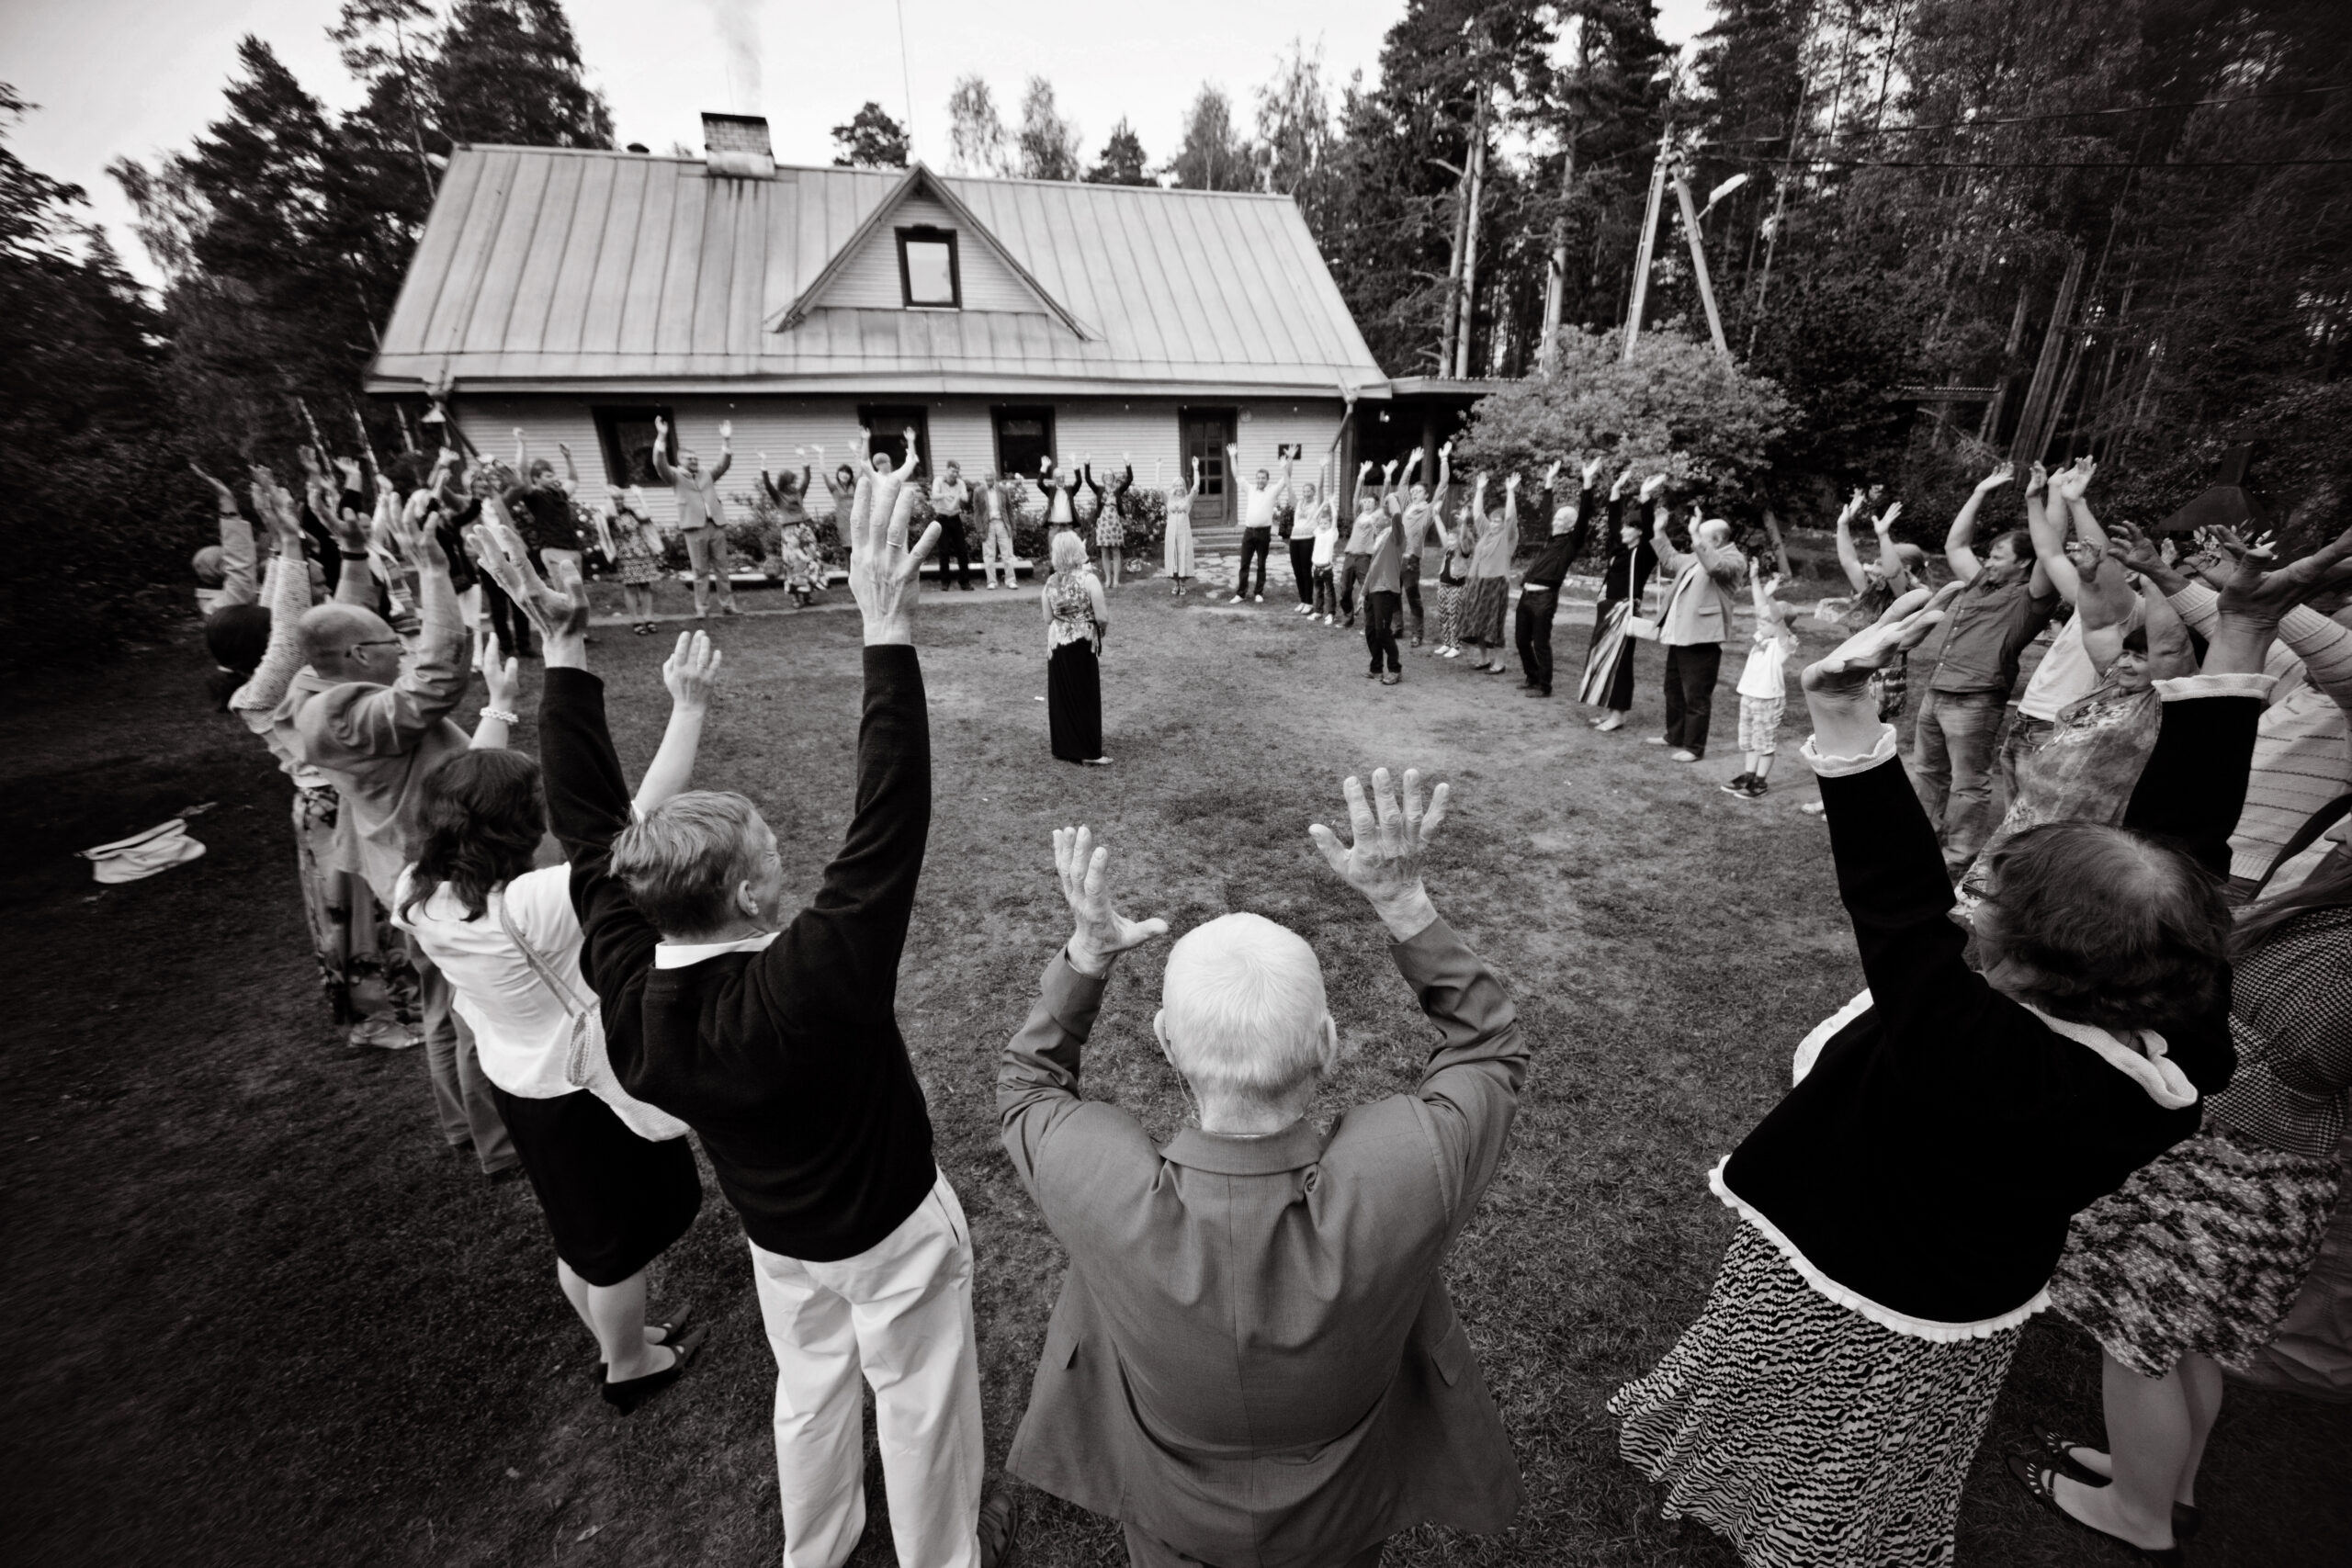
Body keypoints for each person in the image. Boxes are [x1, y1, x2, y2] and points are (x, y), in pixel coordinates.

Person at [1611, 558, 2285, 1568]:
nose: (1968, 908)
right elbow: (2190, 849)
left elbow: (1894, 903)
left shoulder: (1966, 1051)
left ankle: (1784, 1529)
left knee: (1791, 1408)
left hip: (1833, 1262)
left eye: (1986, 909)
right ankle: (1820, 1528)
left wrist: (1840, 717)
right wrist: (2234, 648)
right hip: (1963, 1303)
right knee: (1874, 1443)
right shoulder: (2181, 1051)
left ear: (2016, 960)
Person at [509, 477, 1015, 1568]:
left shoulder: (632, 987)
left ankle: (815, 1551)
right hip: (889, 1229)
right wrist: (885, 634)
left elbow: (592, 833)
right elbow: (890, 818)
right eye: (770, 852)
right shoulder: (814, 976)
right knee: (919, 1402)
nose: (790, 856)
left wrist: (565, 661)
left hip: (777, 1236)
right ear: (745, 897)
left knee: (813, 1389)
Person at [998, 768, 1527, 1568]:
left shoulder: (1092, 1183)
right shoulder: (1410, 1170)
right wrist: (1405, 905)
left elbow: (1029, 1081)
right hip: (1341, 1528)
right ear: (1328, 1043)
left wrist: (1087, 954)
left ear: (1165, 1042)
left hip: (1170, 1526)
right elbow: (1487, 1047)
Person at [2005, 521, 2352, 1562]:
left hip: (2244, 1155)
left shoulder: (2334, 958)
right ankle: (2172, 1484)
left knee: (2140, 1336)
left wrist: (2216, 1007)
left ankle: (2138, 1516)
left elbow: (2314, 1042)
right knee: (2189, 1335)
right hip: (2269, 1160)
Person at [391, 664, 709, 1411]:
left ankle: (615, 1339)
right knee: (611, 1246)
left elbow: (458, 788)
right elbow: (634, 819)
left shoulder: (415, 892)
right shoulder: (541, 902)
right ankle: (629, 1364)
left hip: (517, 1081)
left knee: (576, 1227)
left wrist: (497, 710)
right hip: (581, 1090)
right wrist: (689, 708)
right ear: (518, 827)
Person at [277, 485, 514, 1176]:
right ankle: (498, 1142)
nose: (402, 645)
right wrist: (436, 574)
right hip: (435, 861)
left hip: (402, 864)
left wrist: (355, 553)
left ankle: (462, 1128)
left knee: (444, 1002)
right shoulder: (345, 715)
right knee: (472, 1006)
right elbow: (437, 679)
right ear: (356, 657)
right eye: (389, 642)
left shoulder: (315, 688)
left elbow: (344, 625)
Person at [229, 468, 420, 1051]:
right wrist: (287, 546)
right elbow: (291, 629)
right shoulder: (263, 696)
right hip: (330, 814)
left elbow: (342, 616)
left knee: (386, 907)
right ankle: (375, 1019)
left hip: (349, 801)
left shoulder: (305, 679)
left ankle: (403, 1004)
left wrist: (352, 551)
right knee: (356, 917)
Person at [1908, 461, 2057, 876]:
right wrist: (1979, 492)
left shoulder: (2032, 596)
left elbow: (2050, 550)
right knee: (1928, 773)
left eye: (1997, 556)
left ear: (2024, 564)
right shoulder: (1980, 583)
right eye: (1988, 555)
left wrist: (2037, 500)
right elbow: (1956, 546)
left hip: (1975, 700)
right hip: (1938, 692)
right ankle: (1921, 839)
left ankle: (1957, 856)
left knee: (1967, 783)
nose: (1987, 561)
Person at [1645, 501, 1743, 762]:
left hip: (1703, 638)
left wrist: (1694, 535)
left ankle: (1694, 748)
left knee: (1696, 696)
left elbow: (1715, 568)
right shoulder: (1696, 557)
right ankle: (1674, 736)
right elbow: (1669, 558)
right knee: (1673, 690)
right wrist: (1659, 530)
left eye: (1702, 536)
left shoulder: (1733, 559)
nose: (1696, 541)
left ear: (1718, 539)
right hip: (1679, 635)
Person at [1577, 470, 1657, 728]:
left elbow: (1651, 531)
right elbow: (1612, 521)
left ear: (1638, 531)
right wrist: (1616, 490)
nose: (1621, 530)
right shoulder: (1621, 550)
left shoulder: (1644, 554)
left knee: (1621, 663)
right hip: (1608, 610)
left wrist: (1646, 498)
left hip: (1624, 612)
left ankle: (1619, 714)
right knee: (1603, 660)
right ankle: (1608, 709)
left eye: (1628, 527)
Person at [1513, 458, 1597, 698]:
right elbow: (1545, 512)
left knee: (1540, 643)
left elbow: (1584, 517)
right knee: (1521, 640)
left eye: (1562, 520)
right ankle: (1532, 676)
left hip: (1545, 599)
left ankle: (1544, 685)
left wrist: (1588, 481)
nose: (1556, 521)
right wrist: (1549, 482)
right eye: (1557, 519)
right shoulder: (1551, 538)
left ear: (1571, 526)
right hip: (1527, 595)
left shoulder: (1571, 543)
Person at [1723, 559, 1798, 799]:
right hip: (1750, 696)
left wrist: (1772, 598)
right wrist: (1755, 579)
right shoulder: (1764, 636)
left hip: (1768, 699)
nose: (1760, 622)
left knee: (1764, 742)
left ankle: (1761, 783)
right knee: (1749, 740)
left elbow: (1776, 619)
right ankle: (1748, 775)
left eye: (1766, 620)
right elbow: (1760, 608)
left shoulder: (1784, 643)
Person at [650, 414, 736, 619]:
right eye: (690, 459)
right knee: (700, 571)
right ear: (680, 461)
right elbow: (659, 463)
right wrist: (661, 437)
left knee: (722, 569)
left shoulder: (707, 474)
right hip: (694, 528)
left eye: (696, 459)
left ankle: (728, 606)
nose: (695, 461)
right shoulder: (674, 476)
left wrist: (726, 440)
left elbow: (723, 464)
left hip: (715, 525)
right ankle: (702, 609)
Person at [1044, 530, 1112, 767]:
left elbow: (1047, 617)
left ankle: (1063, 747)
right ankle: (1088, 751)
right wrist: (1101, 630)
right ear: (1077, 550)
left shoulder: (1050, 582)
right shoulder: (1089, 579)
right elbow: (1102, 616)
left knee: (1062, 695)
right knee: (1085, 695)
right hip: (1082, 641)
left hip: (1058, 642)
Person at [507, 428, 588, 592]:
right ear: (536, 479)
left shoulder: (559, 494)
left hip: (572, 549)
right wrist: (521, 443)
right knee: (566, 594)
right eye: (548, 476)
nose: (555, 479)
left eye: (553, 475)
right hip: (553, 550)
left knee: (579, 596)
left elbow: (573, 480)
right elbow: (523, 471)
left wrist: (568, 457)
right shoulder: (533, 496)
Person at [1458, 471, 1518, 673]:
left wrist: (1510, 492)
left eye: (1497, 521)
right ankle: (1483, 659)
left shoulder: (1507, 537)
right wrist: (1480, 490)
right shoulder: (1485, 534)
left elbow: (1510, 516)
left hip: (1497, 583)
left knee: (1495, 624)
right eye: (1492, 520)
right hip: (1478, 582)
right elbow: (1477, 513)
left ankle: (1499, 662)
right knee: (1477, 622)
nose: (1493, 524)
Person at [1398, 446, 1447, 647]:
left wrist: (1443, 459)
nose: (1414, 492)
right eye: (1414, 491)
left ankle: (1417, 634)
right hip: (1395, 557)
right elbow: (1402, 486)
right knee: (1393, 594)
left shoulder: (1428, 511)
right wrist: (1411, 463)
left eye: (1419, 491)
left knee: (1413, 597)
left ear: (1427, 495)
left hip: (1411, 559)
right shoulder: (1407, 506)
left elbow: (1443, 484)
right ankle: (1396, 628)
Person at [1360, 477, 1406, 686]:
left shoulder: (1396, 538)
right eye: (1374, 522)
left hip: (1386, 589)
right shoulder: (1378, 541)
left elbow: (1397, 516)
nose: (1375, 523)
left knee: (1383, 631)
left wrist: (1391, 497)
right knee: (1371, 631)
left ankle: (1395, 669)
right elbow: (1372, 568)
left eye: (1378, 520)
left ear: (1386, 521)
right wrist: (1362, 593)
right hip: (1372, 590)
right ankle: (1376, 668)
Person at [1337, 459, 1394, 628]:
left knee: (1367, 591)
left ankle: (1370, 623)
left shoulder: (1377, 516)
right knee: (1344, 591)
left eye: (1370, 502)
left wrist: (1388, 477)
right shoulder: (1358, 515)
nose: (1367, 503)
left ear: (1376, 505)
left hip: (1364, 558)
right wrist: (1361, 475)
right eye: (1365, 501)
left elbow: (1385, 498)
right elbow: (1356, 497)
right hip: (1349, 557)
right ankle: (1348, 618)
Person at [1227, 445, 1283, 604]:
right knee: (1244, 563)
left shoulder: (1272, 491)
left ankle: (1259, 592)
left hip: (1264, 532)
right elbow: (1236, 474)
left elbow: (1286, 478)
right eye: (1258, 477)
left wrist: (1288, 462)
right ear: (1255, 478)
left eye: (1263, 478)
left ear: (1267, 480)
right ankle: (1241, 593)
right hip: (1249, 532)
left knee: (1261, 564)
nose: (1260, 480)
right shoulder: (1249, 489)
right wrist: (1232, 456)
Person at [606, 485, 664, 633]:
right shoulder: (608, 515)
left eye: (621, 498)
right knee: (630, 587)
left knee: (645, 585)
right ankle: (635, 620)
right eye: (615, 498)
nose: (619, 501)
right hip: (624, 555)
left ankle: (648, 618)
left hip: (642, 552)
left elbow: (647, 515)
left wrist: (640, 496)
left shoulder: (631, 512)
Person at [1433, 481, 1478, 659]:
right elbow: (1443, 531)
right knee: (1443, 614)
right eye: (1449, 540)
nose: (1451, 542)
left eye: (1454, 540)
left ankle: (1456, 645)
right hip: (1443, 585)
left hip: (1457, 588)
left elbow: (1464, 539)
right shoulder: (1449, 549)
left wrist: (1464, 523)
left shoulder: (1464, 551)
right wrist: (1436, 515)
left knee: (1454, 616)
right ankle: (1446, 643)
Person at [1084, 457, 1134, 591]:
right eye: (1105, 476)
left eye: (1110, 475)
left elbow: (1129, 480)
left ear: (1113, 477)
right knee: (1104, 552)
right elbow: (1088, 480)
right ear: (1103, 478)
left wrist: (1127, 464)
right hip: (1103, 524)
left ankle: (1116, 579)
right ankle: (1108, 579)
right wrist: (1087, 463)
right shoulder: (1099, 490)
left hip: (1115, 525)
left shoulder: (1117, 491)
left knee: (1116, 552)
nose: (1108, 477)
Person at [929, 458, 977, 592]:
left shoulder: (960, 483)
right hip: (942, 519)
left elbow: (965, 498)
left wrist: (961, 495)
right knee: (944, 551)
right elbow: (934, 496)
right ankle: (945, 582)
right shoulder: (939, 481)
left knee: (962, 551)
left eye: (957, 472)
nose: (954, 474)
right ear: (947, 469)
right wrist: (946, 494)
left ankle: (965, 582)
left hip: (955, 519)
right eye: (952, 471)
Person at [1284, 459, 1324, 612]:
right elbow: (1288, 486)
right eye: (1305, 491)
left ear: (1313, 492)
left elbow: (1321, 486)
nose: (1306, 493)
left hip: (1308, 540)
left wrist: (1322, 469)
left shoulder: (1317, 504)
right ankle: (1302, 600)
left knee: (1306, 570)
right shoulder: (1298, 503)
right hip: (1294, 540)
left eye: (1309, 491)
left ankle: (1309, 602)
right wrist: (1284, 467)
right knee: (1297, 571)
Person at [1160, 459, 1199, 597]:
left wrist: (1195, 468)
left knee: (1183, 555)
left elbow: (1196, 486)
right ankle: (1176, 584)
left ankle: (1183, 584)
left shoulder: (1188, 499)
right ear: (1173, 487)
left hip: (1184, 532)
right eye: (1176, 485)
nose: (1178, 487)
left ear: (1183, 487)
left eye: (1181, 485)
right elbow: (1159, 486)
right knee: (1173, 556)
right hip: (1171, 532)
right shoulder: (1168, 499)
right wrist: (1158, 467)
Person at [978, 469, 1021, 589]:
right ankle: (991, 581)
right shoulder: (979, 492)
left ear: (995, 477)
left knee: (1007, 553)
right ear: (984, 478)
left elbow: (1009, 509)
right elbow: (977, 513)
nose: (989, 478)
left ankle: (1011, 580)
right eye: (986, 476)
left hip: (1002, 523)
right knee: (989, 554)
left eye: (991, 476)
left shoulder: (1003, 490)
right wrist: (980, 530)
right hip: (988, 525)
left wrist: (1013, 527)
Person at [1310, 486, 1341, 623]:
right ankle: (1318, 611)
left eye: (1326, 523)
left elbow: (1334, 516)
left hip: (1326, 568)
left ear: (1330, 524)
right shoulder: (1318, 531)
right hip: (1316, 567)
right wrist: (1323, 503)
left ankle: (1331, 614)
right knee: (1318, 591)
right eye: (1321, 523)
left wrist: (1332, 504)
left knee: (1329, 591)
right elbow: (1315, 517)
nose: (1323, 525)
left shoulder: (1331, 533)